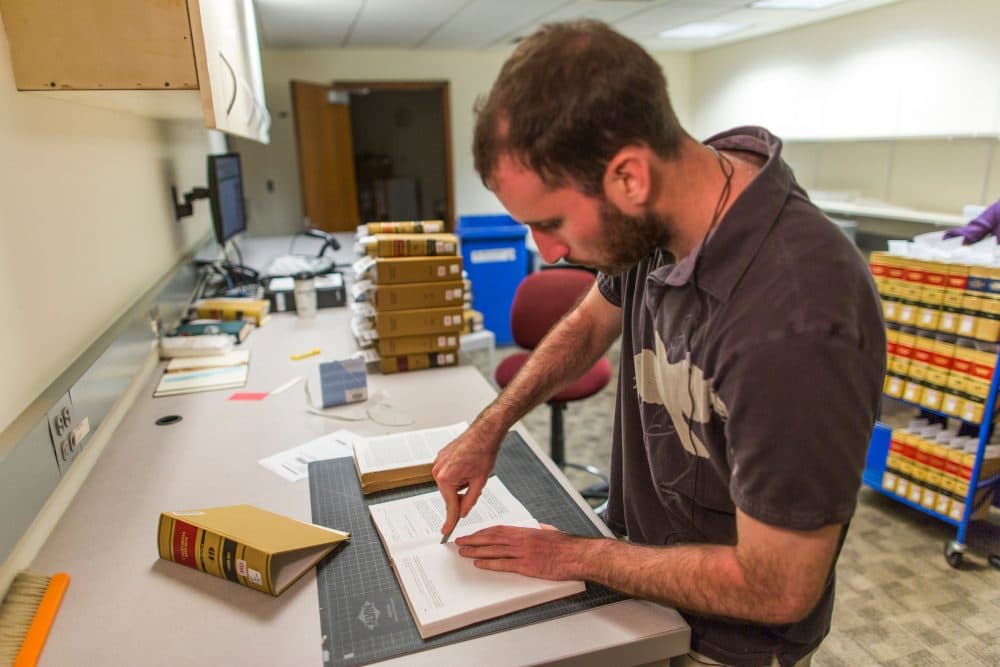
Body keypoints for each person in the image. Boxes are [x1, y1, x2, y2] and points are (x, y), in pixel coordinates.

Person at [432, 20, 885, 667]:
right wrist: (492, 422)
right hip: (638, 579)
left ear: (630, 178)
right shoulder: (656, 215)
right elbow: (589, 321)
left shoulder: (798, 317)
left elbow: (780, 585)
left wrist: (570, 553)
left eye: (550, 222)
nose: (548, 251)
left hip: (728, 641)